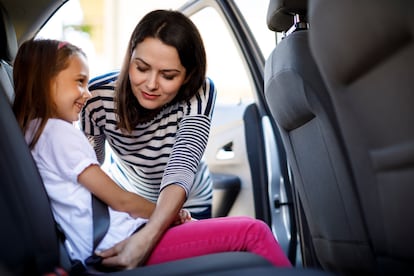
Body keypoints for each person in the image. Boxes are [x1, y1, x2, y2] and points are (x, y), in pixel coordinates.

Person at [12, 38, 291, 271]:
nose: (86, 94)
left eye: (87, 83)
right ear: (46, 81)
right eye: (79, 82)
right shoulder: (58, 133)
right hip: (120, 240)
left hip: (112, 236)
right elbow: (120, 200)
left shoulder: (35, 133)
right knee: (252, 232)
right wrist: (172, 216)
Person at [80, 9, 215, 220]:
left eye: (168, 75)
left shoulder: (201, 90)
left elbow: (181, 165)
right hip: (129, 201)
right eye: (142, 68)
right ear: (130, 58)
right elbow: (90, 164)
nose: (151, 85)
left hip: (190, 203)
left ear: (188, 76)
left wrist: (159, 223)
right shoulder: (96, 97)